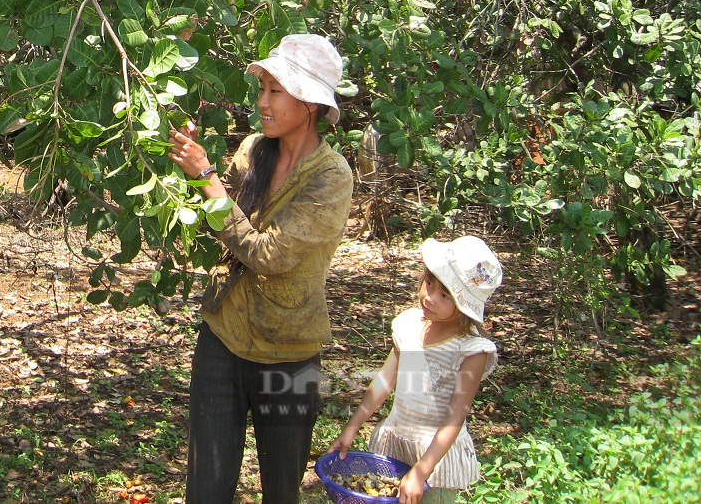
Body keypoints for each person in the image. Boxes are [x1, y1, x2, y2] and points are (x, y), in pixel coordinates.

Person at [168, 33, 354, 504]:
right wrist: (188, 173)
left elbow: (267, 254)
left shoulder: (331, 177)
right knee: (205, 489)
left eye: (275, 91)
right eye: (262, 89)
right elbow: (214, 214)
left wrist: (206, 178)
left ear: (309, 103)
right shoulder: (253, 148)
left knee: (281, 491)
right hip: (222, 338)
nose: (262, 102)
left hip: (289, 355)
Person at [329, 236, 503, 504]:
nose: (429, 297)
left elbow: (454, 418)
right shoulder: (410, 325)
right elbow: (384, 382)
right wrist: (352, 427)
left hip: (436, 460)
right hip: (397, 443)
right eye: (429, 283)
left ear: (463, 305)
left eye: (444, 295)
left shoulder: (470, 350)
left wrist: (421, 471)